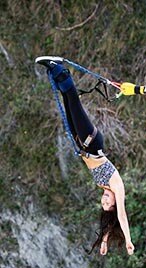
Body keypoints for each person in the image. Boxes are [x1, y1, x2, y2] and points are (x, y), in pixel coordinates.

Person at [36, 57, 134, 256]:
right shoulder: (117, 187)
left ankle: (56, 70)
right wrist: (128, 241)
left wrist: (104, 241)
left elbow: (109, 221)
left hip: (83, 144)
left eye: (103, 203)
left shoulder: (106, 188)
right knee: (73, 101)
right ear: (115, 203)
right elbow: (121, 217)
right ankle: (56, 67)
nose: (105, 200)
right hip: (92, 142)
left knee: (67, 101)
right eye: (109, 203)